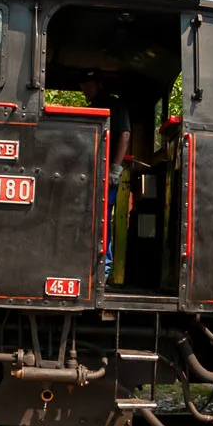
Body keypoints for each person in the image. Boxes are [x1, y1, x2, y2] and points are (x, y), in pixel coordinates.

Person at [79, 73, 131, 279]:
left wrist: (114, 169)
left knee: (102, 219)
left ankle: (103, 269)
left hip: (104, 173)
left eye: (87, 86)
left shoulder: (115, 106)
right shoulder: (91, 109)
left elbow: (125, 135)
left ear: (98, 84)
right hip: (90, 173)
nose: (84, 90)